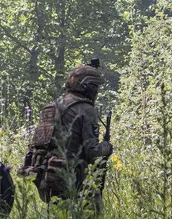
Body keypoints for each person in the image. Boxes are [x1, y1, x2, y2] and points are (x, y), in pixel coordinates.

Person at [20, 62, 113, 209]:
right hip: (68, 178)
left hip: (42, 177)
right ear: (89, 87)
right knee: (93, 209)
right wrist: (107, 147)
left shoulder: (51, 107)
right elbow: (92, 151)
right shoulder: (86, 109)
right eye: (96, 87)